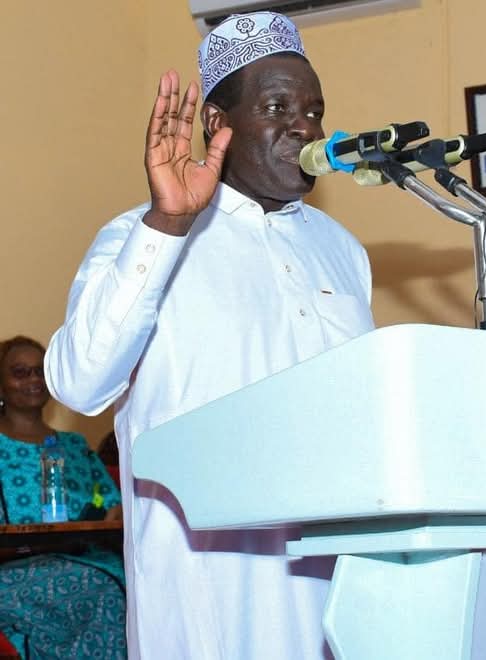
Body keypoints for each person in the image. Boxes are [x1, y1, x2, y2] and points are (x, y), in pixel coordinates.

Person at [44, 11, 374, 660]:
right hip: (208, 593)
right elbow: (77, 383)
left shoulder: (342, 249)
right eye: (277, 107)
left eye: (314, 111)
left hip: (340, 584)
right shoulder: (142, 235)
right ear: (218, 124)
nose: (305, 127)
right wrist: (166, 226)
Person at [0, 335, 125, 659]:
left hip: (91, 558)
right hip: (14, 567)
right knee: (103, 585)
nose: (33, 380)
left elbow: (110, 503)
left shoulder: (75, 445)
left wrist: (114, 511)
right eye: (20, 372)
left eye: (40, 371)